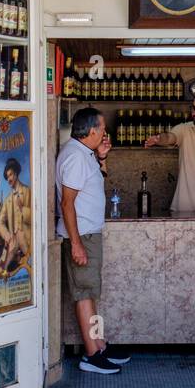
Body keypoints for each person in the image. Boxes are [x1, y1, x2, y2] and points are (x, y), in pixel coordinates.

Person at [56, 106, 130, 374]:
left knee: (91, 293)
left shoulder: (84, 154)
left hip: (88, 234)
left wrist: (102, 158)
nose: (105, 132)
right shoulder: (75, 157)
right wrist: (75, 243)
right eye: (102, 128)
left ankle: (100, 345)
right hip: (82, 236)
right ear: (91, 130)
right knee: (85, 294)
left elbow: (97, 182)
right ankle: (91, 355)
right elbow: (67, 204)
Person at [0, 157, 32, 275]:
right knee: (0, 268)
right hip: (14, 240)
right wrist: (8, 236)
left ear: (16, 174)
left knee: (32, 266)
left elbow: (36, 217)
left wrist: (22, 209)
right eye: (7, 177)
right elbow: (0, 223)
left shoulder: (28, 192)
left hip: (28, 239)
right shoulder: (8, 200)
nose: (9, 179)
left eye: (10, 175)